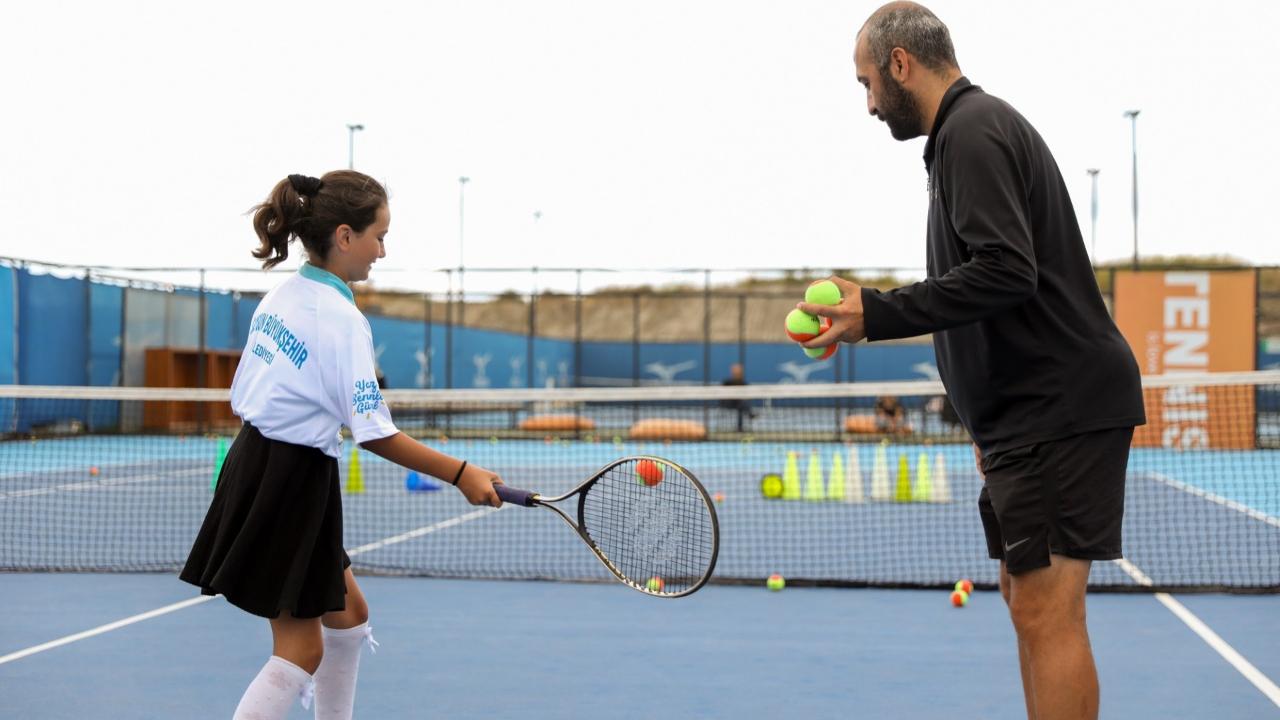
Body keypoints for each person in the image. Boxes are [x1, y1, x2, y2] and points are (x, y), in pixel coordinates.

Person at [798, 5, 1145, 719]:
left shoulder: (973, 131)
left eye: (867, 83)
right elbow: (997, 291)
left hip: (1058, 407)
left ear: (902, 64)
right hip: (1026, 417)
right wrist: (987, 427)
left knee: (1049, 610)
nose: (867, 105)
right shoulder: (964, 135)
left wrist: (878, 313)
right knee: (1028, 603)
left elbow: (1006, 272)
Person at [180, 171, 504, 720]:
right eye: (379, 235)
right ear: (346, 236)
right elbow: (374, 431)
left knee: (349, 616)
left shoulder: (283, 295)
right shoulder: (340, 318)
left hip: (262, 463)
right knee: (301, 650)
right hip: (287, 480)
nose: (384, 249)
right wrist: (462, 472)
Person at [721, 362, 754, 431]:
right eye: (736, 370)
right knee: (741, 404)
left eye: (739, 370)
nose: (738, 372)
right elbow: (722, 395)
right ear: (732, 371)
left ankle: (739, 428)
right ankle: (750, 414)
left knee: (741, 405)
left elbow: (747, 395)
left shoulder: (743, 383)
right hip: (727, 403)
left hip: (738, 404)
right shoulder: (726, 382)